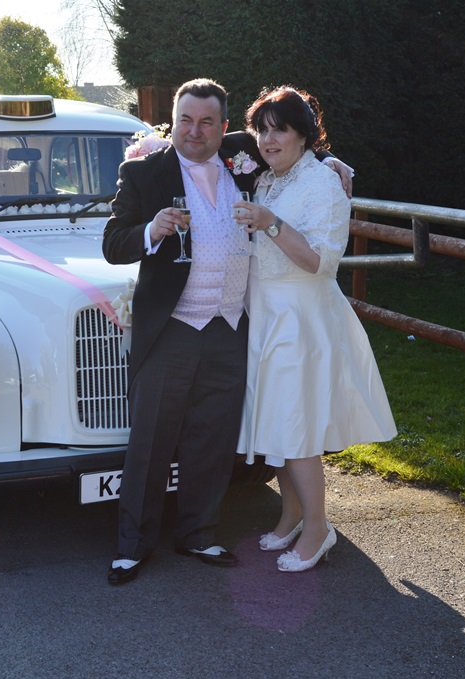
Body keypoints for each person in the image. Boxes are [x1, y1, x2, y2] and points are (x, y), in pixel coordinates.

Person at [102, 79, 352, 585]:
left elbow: (291, 143)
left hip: (232, 326)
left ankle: (199, 532)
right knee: (151, 439)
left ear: (224, 126)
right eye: (186, 121)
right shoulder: (144, 172)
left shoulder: (244, 154)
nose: (196, 132)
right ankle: (134, 544)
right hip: (172, 326)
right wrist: (151, 230)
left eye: (208, 122)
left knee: (212, 439)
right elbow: (113, 243)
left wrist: (330, 160)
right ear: (173, 122)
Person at [233, 86, 397, 573]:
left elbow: (322, 263)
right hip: (265, 314)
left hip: (299, 321)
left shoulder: (323, 184)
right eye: (261, 129)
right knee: (277, 428)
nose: (267, 139)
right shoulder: (266, 179)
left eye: (279, 129)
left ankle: (320, 529)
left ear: (303, 134)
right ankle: (292, 515)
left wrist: (270, 224)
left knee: (296, 429)